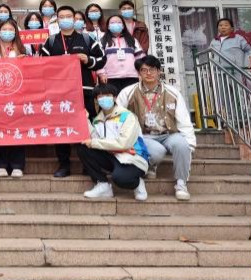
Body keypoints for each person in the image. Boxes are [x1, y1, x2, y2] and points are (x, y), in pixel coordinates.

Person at [117, 56, 196, 201]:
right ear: (139, 73)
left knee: (182, 145)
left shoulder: (172, 93)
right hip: (143, 135)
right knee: (158, 151)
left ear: (159, 71)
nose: (148, 73)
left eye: (152, 69)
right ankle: (151, 166)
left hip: (168, 134)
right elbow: (117, 116)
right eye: (144, 70)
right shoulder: (128, 92)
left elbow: (184, 121)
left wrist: (190, 144)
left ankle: (181, 184)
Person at [40, 5, 106, 177]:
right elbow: (41, 65)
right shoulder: (51, 41)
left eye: (69, 16)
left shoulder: (87, 38)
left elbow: (102, 59)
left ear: (75, 19)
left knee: (86, 127)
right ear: (57, 20)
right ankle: (64, 165)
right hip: (59, 92)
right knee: (60, 128)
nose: (65, 20)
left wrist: (88, 59)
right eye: (61, 17)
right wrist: (55, 63)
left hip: (84, 90)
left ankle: (88, 164)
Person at [78, 83, 149, 201]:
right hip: (112, 156)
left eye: (108, 95)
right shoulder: (97, 120)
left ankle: (138, 183)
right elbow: (95, 138)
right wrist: (86, 120)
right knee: (84, 148)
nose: (104, 98)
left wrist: (94, 143)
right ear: (96, 100)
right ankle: (102, 184)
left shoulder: (127, 116)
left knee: (121, 179)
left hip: (132, 158)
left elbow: (124, 144)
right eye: (100, 96)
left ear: (115, 97)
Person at [0, 20, 29, 177]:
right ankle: (0, 165)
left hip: (17, 95)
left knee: (17, 129)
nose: (7, 32)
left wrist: (25, 61)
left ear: (16, 32)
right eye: (4, 29)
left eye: (10, 29)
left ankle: (17, 164)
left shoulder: (22, 49)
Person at [98, 14, 146, 93]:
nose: (116, 24)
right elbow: (99, 60)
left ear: (123, 26)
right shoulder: (102, 41)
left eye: (119, 22)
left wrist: (141, 73)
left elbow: (140, 58)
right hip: (110, 77)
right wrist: (102, 74)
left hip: (132, 76)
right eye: (112, 23)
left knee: (130, 99)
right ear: (108, 26)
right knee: (114, 99)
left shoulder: (132, 40)